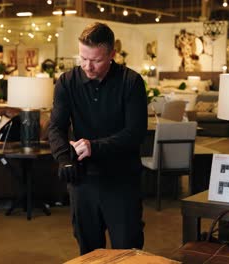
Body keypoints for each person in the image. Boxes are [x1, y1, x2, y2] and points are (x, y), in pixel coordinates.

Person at [48, 22, 148, 255]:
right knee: (90, 253)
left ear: (112, 54)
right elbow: (55, 128)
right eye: (83, 58)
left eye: (96, 60)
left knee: (128, 251)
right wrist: (64, 159)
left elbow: (135, 134)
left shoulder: (130, 82)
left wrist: (95, 147)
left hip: (122, 181)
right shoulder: (66, 82)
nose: (87, 66)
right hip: (83, 182)